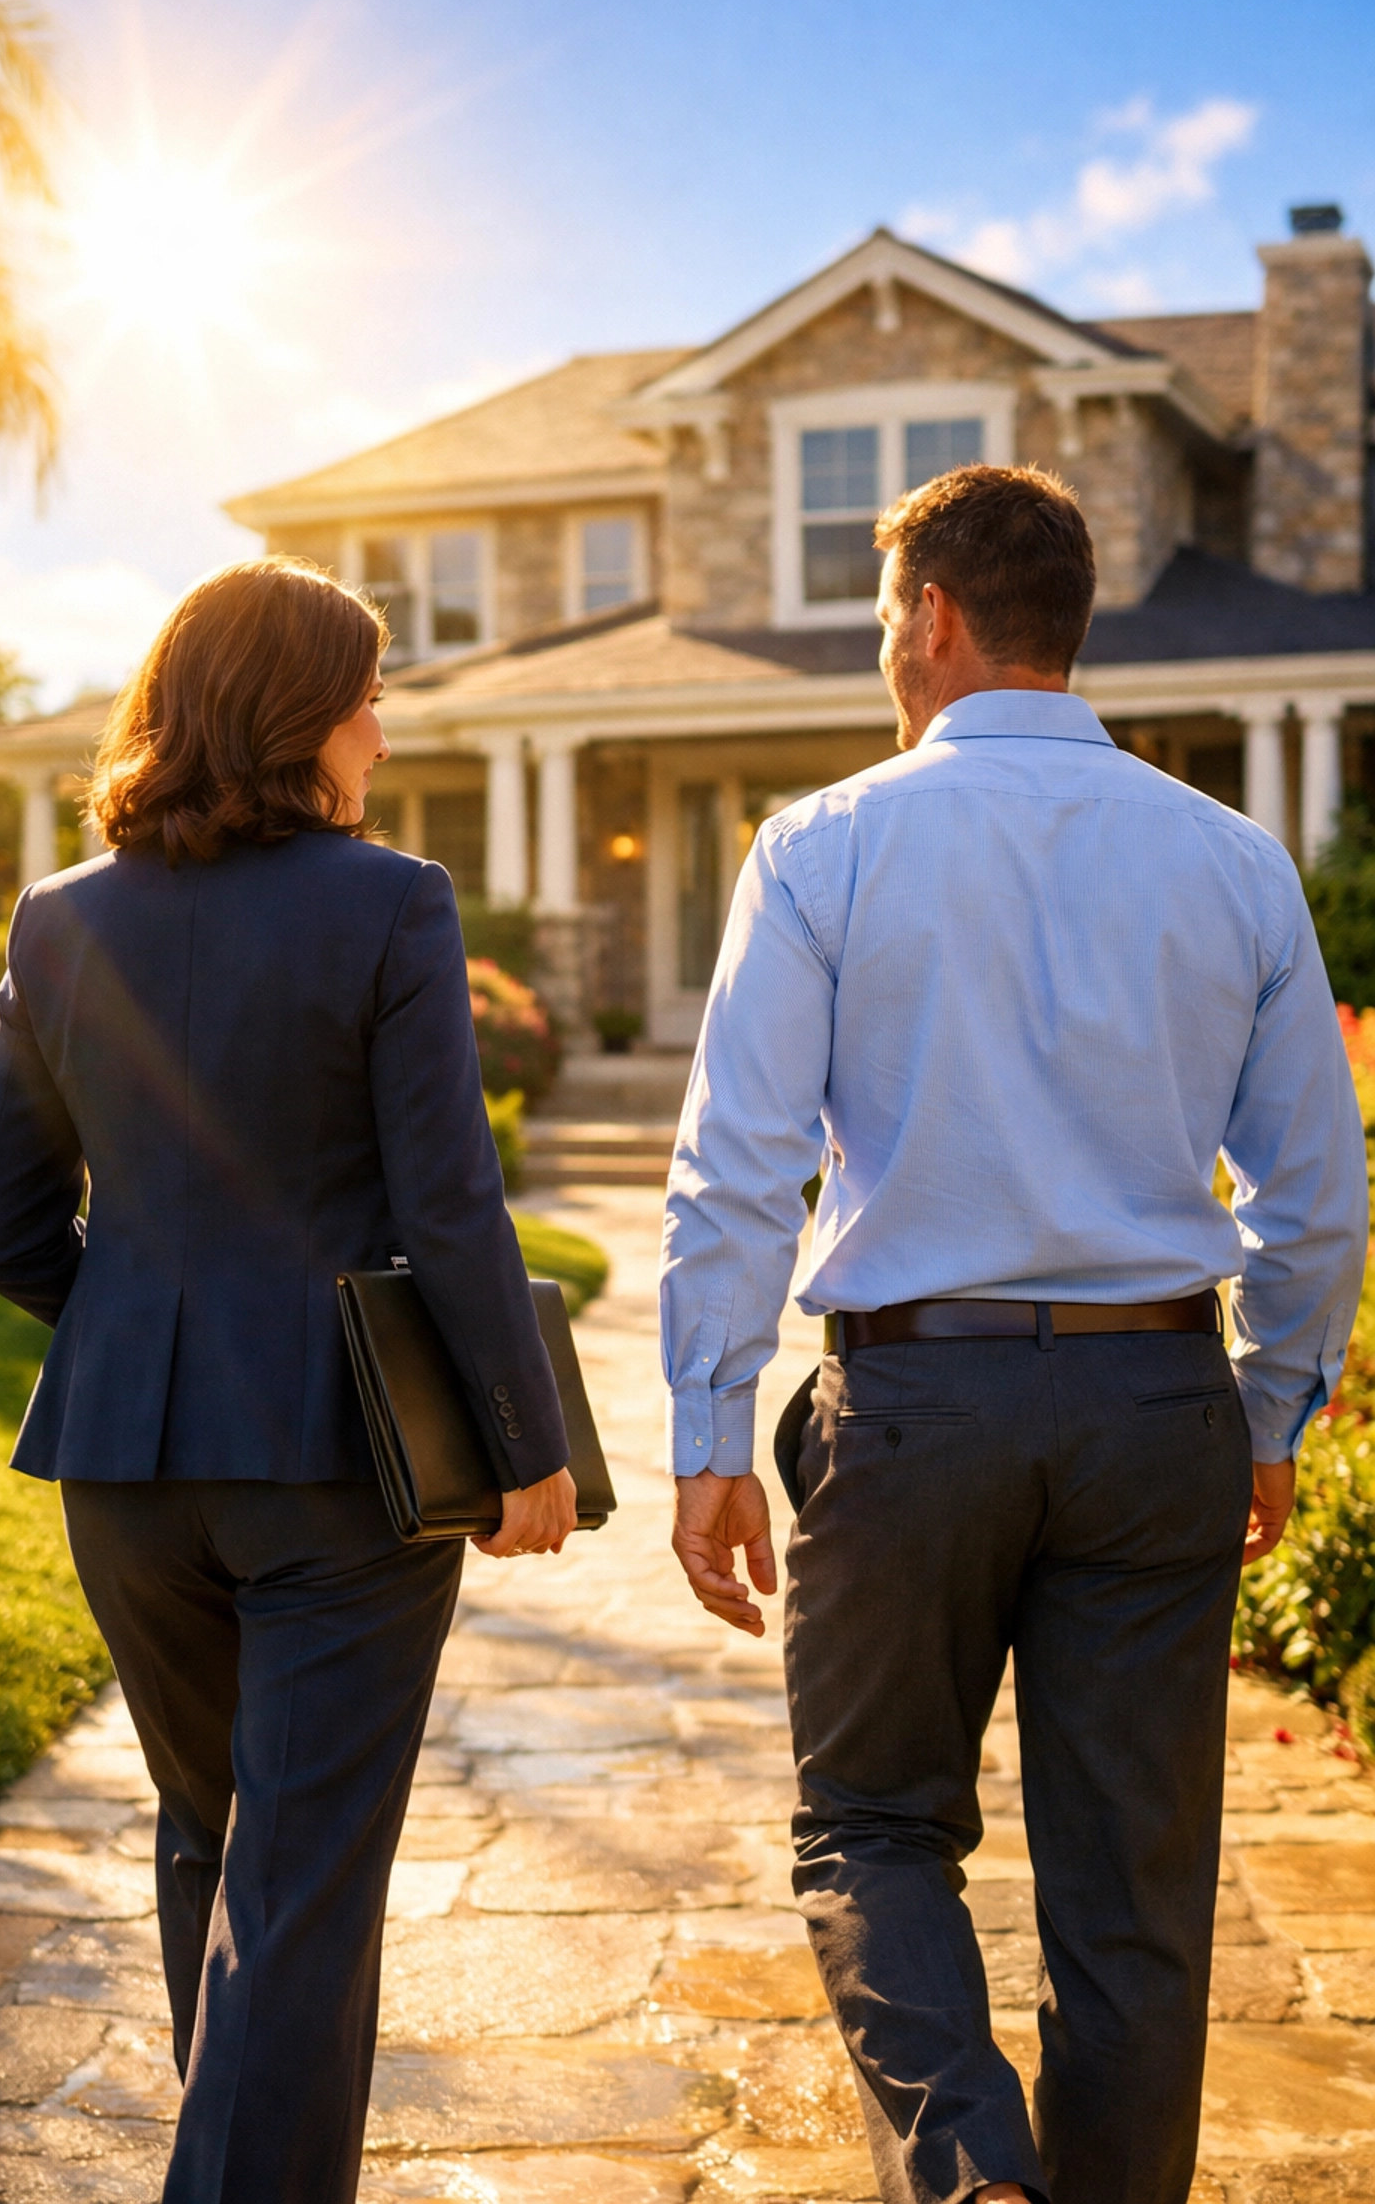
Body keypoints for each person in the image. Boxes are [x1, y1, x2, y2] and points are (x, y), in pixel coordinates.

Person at [660, 464, 1367, 2204]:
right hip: (1155, 1410)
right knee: (1136, 1891)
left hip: (910, 1410)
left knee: (872, 1826)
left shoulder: (823, 845)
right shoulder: (1235, 859)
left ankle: (975, 2179)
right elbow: (1316, 1191)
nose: (885, 648)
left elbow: (737, 1172)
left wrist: (704, 1433)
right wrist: (1272, 1411)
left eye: (887, 613)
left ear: (938, 618)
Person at [0, 557, 577, 2204]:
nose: (385, 723)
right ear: (303, 712)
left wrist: (129, 1333)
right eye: (369, 690)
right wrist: (529, 1445)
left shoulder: (60, 916)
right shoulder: (392, 901)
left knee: (217, 1838)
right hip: (336, 1470)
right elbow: (449, 1203)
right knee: (298, 1880)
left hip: (123, 1475)